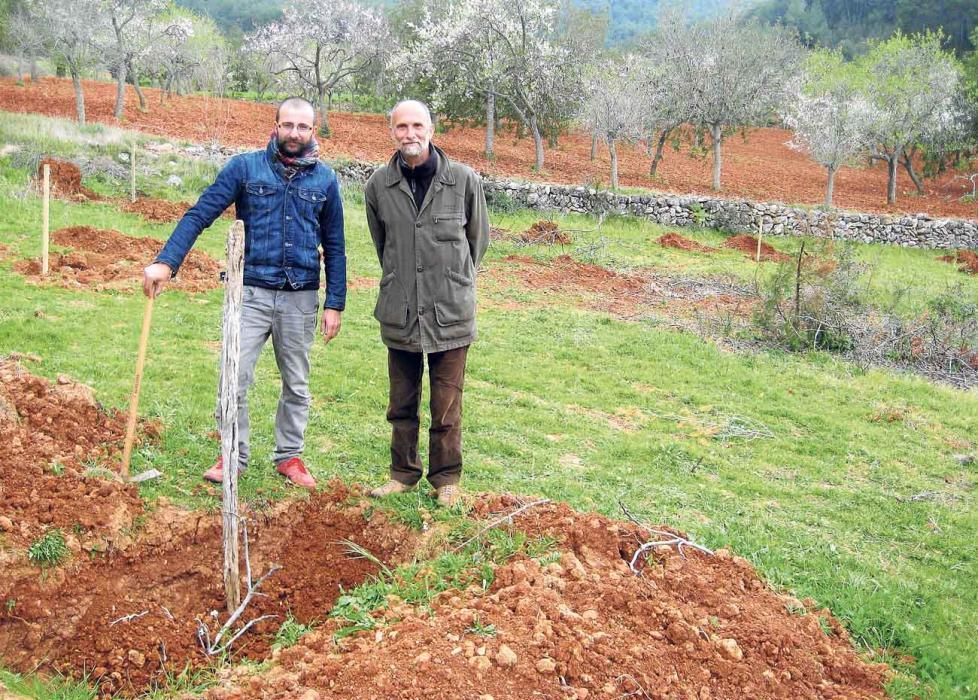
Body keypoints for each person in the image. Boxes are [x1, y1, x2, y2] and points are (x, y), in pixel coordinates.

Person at [142, 96, 346, 490]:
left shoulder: (325, 180)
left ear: (312, 131)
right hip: (249, 292)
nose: (294, 133)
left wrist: (334, 302)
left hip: (299, 296)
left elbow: (335, 244)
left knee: (297, 383)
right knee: (233, 377)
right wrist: (166, 263)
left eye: (303, 127)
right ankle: (232, 455)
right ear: (275, 125)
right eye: (288, 125)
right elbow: (200, 214)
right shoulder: (244, 168)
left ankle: (289, 456)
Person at [364, 99, 489, 507]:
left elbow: (477, 244)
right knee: (401, 402)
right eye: (401, 127)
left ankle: (446, 479)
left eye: (417, 125)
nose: (409, 134)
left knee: (447, 404)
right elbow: (384, 247)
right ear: (392, 132)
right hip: (400, 312)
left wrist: (449, 283)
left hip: (450, 313)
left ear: (431, 130)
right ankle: (403, 473)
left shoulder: (464, 181)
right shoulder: (378, 186)